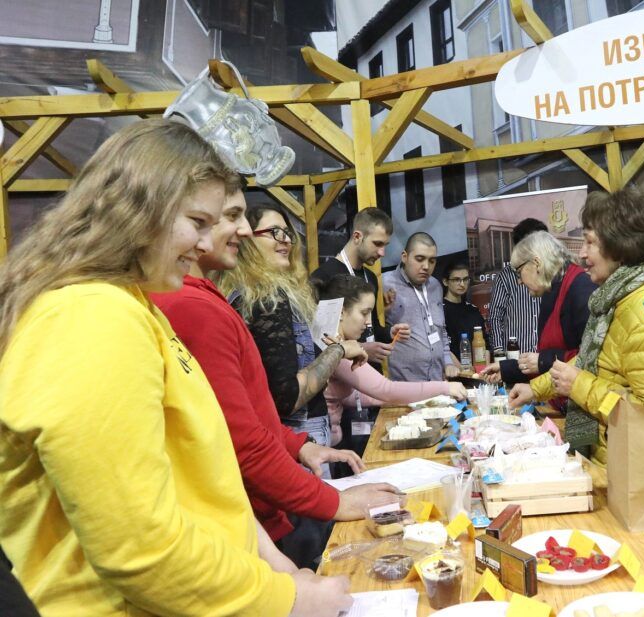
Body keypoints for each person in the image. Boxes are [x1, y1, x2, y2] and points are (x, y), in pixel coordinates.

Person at [0, 119, 351, 616]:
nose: (206, 243)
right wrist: (287, 599)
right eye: (198, 222)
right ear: (139, 210)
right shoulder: (91, 315)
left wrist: (278, 569)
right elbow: (139, 547)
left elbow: (201, 477)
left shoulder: (138, 307)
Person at [152, 189, 398, 569]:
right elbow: (259, 421)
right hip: (261, 500)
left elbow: (249, 410)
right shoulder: (205, 304)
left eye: (287, 233)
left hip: (273, 484)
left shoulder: (213, 298)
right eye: (229, 216)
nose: (243, 230)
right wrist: (334, 501)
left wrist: (297, 446)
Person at [509, 188, 644, 465]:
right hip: (612, 457)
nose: (581, 254)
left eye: (590, 242)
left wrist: (579, 385)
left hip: (629, 470)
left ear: (619, 245)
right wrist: (537, 389)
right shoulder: (619, 297)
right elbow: (592, 359)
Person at [219, 202, 345, 468]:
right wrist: (339, 351)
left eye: (287, 232)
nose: (286, 240)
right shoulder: (269, 299)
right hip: (299, 436)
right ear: (247, 239)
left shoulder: (240, 295)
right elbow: (287, 397)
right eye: (274, 232)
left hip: (281, 437)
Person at [316, 274, 467, 442]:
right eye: (364, 313)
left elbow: (353, 395)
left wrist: (395, 399)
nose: (368, 322)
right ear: (342, 312)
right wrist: (445, 388)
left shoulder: (333, 342)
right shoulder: (337, 349)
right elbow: (386, 389)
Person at [479, 231, 597, 386]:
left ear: (536, 263)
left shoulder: (580, 288)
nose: (519, 281)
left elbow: (591, 358)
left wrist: (542, 361)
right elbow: (544, 360)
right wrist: (506, 369)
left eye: (519, 273)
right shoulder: (550, 291)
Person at [310, 207, 410, 364]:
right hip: (342, 373)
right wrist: (361, 348)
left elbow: (371, 327)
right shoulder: (324, 277)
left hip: (370, 371)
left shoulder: (370, 278)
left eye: (385, 245)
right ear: (357, 236)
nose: (382, 253)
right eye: (377, 244)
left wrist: (388, 332)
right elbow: (320, 341)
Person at [384, 232, 459, 381]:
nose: (426, 266)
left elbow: (441, 330)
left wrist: (448, 361)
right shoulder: (384, 284)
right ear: (404, 257)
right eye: (419, 259)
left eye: (432, 261)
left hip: (436, 382)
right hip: (403, 385)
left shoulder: (435, 286)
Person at [488, 218, 547, 353]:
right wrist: (499, 352)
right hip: (516, 357)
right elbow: (495, 317)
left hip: (547, 357)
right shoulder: (505, 276)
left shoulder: (553, 274)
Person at [442, 261, 487, 362]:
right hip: (451, 368)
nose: (462, 284)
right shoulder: (439, 311)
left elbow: (485, 344)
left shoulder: (474, 310)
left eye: (465, 279)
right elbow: (442, 349)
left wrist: (484, 368)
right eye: (456, 280)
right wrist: (462, 369)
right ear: (445, 282)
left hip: (478, 367)